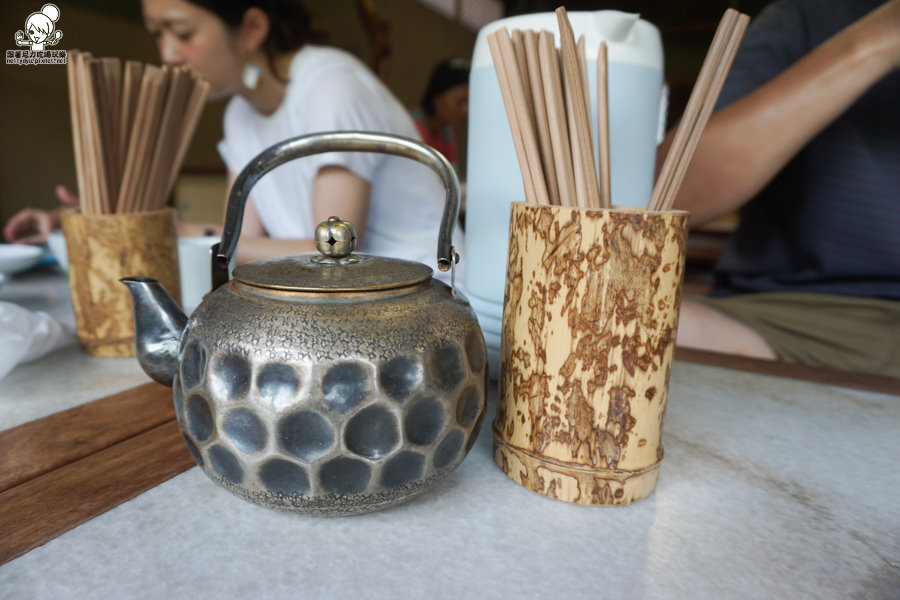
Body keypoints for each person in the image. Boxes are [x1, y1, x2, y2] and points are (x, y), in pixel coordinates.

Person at [4, 0, 461, 281]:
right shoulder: (241, 115)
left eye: (182, 33)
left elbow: (333, 255)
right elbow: (240, 239)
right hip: (344, 307)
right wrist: (102, 222)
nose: (167, 55)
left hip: (419, 300)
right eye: (157, 33)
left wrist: (167, 230)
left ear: (252, 29)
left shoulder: (330, 87)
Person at [669, 0, 900, 376]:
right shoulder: (808, 18)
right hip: (792, 318)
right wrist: (877, 43)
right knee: (608, 324)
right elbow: (669, 196)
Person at [410, 57, 470, 168]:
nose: (465, 110)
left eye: (468, 102)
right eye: (460, 101)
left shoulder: (446, 131)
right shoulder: (412, 128)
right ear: (437, 99)